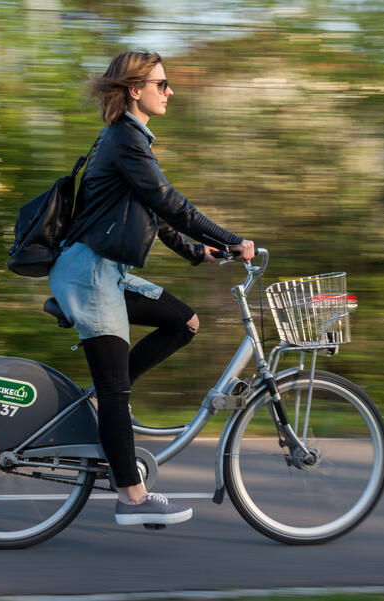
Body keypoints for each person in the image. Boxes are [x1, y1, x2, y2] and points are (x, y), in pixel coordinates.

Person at [48, 51, 255, 527]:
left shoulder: (127, 140)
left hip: (107, 270)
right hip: (90, 273)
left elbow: (155, 214)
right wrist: (231, 239)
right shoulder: (124, 138)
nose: (170, 90)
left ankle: (103, 403)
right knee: (116, 390)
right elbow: (170, 203)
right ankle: (132, 499)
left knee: (184, 321)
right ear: (134, 90)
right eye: (162, 83)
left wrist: (196, 253)